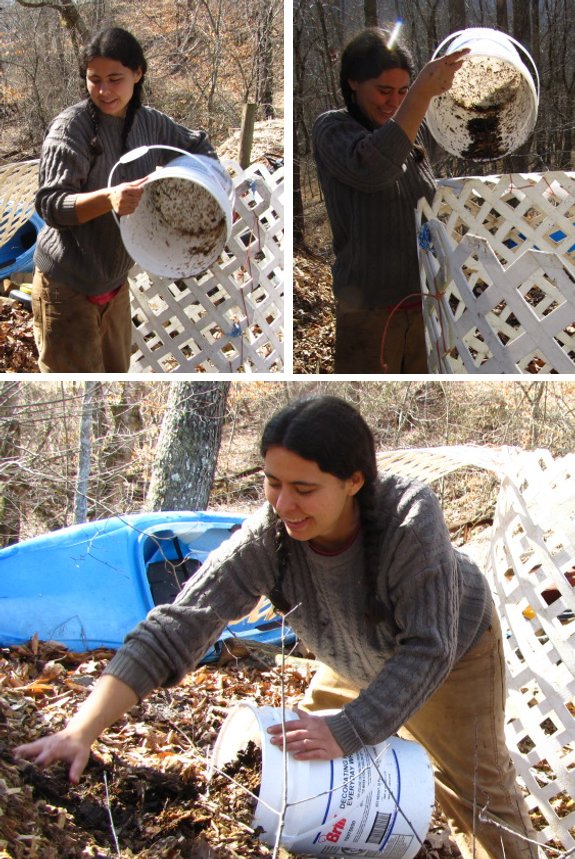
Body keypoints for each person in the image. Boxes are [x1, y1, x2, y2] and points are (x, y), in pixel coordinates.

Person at [14, 395, 539, 859]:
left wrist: (348, 728)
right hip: (351, 654)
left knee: (475, 790)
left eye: (304, 489)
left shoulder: (408, 517)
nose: (284, 504)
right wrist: (79, 731)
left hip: (453, 654)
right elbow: (177, 625)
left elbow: (429, 648)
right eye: (272, 483)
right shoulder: (272, 534)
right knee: (301, 771)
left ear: (354, 481)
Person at [31, 26, 216, 373]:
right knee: (72, 377)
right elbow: (51, 205)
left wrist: (207, 192)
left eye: (115, 79)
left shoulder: (150, 123)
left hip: (114, 284)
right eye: (93, 79)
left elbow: (197, 146)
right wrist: (109, 197)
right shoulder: (72, 128)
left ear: (138, 73)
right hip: (66, 286)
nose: (103, 90)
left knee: (118, 375)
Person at [312, 27, 468, 374]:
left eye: (402, 91)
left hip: (426, 303)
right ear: (353, 82)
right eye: (384, 91)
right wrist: (418, 97)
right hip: (370, 311)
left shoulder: (412, 136)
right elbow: (374, 170)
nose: (394, 102)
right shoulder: (333, 129)